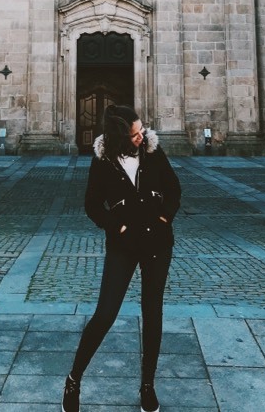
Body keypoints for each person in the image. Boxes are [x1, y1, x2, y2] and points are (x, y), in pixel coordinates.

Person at [62, 105, 181, 412]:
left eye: (141, 130)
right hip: (124, 245)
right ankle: (74, 379)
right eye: (135, 133)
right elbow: (92, 205)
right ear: (119, 137)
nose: (141, 136)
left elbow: (174, 189)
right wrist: (117, 226)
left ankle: (147, 385)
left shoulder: (153, 152)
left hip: (157, 243)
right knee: (105, 314)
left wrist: (164, 219)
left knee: (153, 314)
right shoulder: (103, 162)